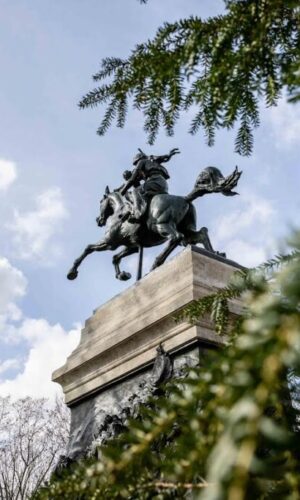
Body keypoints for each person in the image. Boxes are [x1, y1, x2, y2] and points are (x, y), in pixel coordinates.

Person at [120, 148, 180, 222]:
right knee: (143, 192)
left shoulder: (142, 162)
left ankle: (137, 214)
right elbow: (163, 158)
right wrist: (169, 155)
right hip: (163, 184)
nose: (136, 165)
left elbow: (132, 179)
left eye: (136, 163)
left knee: (136, 191)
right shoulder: (152, 163)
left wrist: (122, 191)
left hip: (154, 181)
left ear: (138, 160)